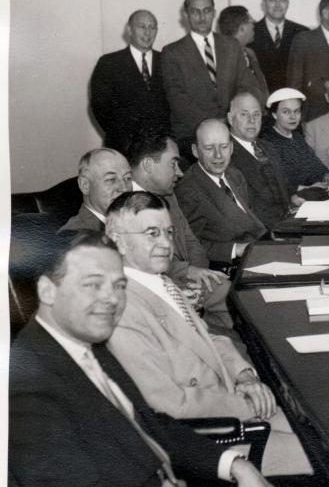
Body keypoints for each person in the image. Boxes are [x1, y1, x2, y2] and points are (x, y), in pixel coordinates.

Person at [8, 232, 329, 487]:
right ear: (47, 291)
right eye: (93, 285)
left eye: (118, 286)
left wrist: (236, 466)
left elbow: (152, 424)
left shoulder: (85, 345)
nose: (111, 300)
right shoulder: (26, 384)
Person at [104, 192, 311, 475]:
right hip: (210, 440)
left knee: (325, 430)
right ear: (117, 239)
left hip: (232, 405)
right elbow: (169, 405)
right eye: (152, 233)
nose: (166, 244)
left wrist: (244, 376)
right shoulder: (122, 309)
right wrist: (244, 403)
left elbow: (209, 340)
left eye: (168, 232)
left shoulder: (159, 282)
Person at [128, 132, 234, 335]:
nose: (180, 173)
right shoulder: (125, 207)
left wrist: (197, 275)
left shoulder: (169, 194)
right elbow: (142, 263)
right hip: (160, 287)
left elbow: (191, 242)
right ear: (149, 166)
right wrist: (186, 273)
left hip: (187, 280)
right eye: (173, 164)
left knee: (230, 295)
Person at [161, 0, 257, 154]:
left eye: (207, 10)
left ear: (214, 13)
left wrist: (233, 119)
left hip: (234, 131)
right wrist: (214, 125)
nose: (202, 16)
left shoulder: (232, 45)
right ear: (185, 15)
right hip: (193, 137)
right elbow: (178, 99)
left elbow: (245, 85)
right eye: (195, 11)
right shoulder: (172, 52)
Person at [174, 119, 267, 262]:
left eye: (223, 147)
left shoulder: (236, 176)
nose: (218, 155)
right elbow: (189, 245)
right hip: (229, 264)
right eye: (209, 148)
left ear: (231, 148)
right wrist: (235, 249)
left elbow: (251, 221)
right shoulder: (187, 190)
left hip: (259, 248)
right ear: (195, 151)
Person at [88, 8, 171, 157]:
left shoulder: (167, 60)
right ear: (129, 30)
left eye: (152, 27)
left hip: (161, 149)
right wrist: (126, 139)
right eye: (142, 27)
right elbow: (100, 107)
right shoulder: (109, 63)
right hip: (124, 149)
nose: (147, 33)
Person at [226, 92, 292, 229]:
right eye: (244, 114)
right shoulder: (225, 154)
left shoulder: (269, 147)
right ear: (231, 119)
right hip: (259, 234)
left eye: (256, 114)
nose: (252, 120)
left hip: (287, 224)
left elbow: (283, 190)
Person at [258, 88, 329, 194]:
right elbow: (276, 184)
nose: (293, 116)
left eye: (297, 111)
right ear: (274, 115)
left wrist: (326, 175)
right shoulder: (268, 143)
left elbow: (315, 165)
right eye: (286, 112)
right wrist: (306, 188)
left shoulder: (297, 137)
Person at [251, 0, 308, 93]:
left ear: (288, 4)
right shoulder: (251, 32)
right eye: (272, 0)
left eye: (282, 0)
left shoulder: (302, 32)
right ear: (264, 4)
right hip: (261, 102)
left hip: (293, 101)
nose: (278, 5)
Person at [60, 147, 132, 233]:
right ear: (85, 185)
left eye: (127, 178)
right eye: (111, 179)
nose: (124, 188)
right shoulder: (76, 236)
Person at [216, 4, 269, 105]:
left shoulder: (249, 53)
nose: (254, 24)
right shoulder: (223, 57)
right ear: (242, 29)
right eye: (250, 22)